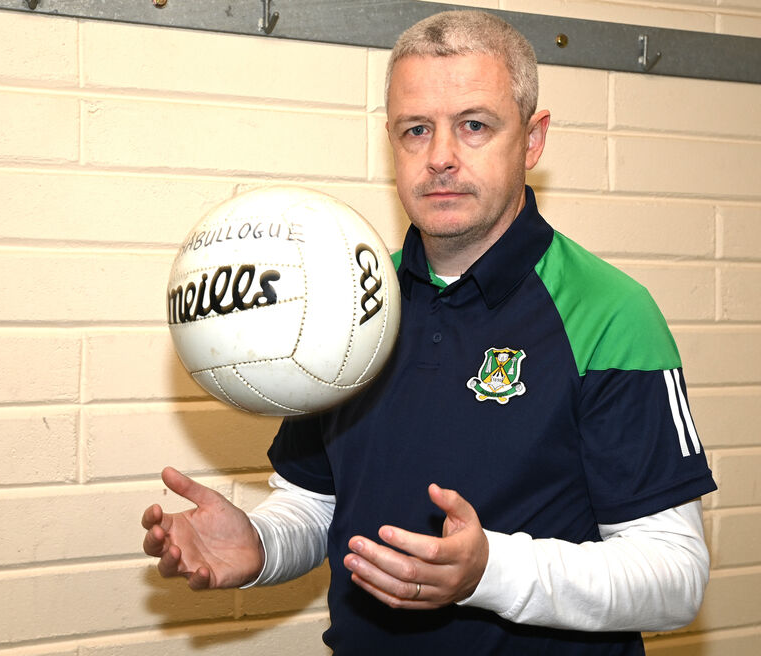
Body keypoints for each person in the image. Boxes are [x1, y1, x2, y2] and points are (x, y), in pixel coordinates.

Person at [142, 10, 717, 654]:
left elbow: (675, 575)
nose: (440, 156)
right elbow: (316, 506)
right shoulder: (345, 306)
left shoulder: (611, 312)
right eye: (416, 130)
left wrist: (488, 572)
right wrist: (263, 542)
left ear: (532, 140)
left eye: (474, 125)